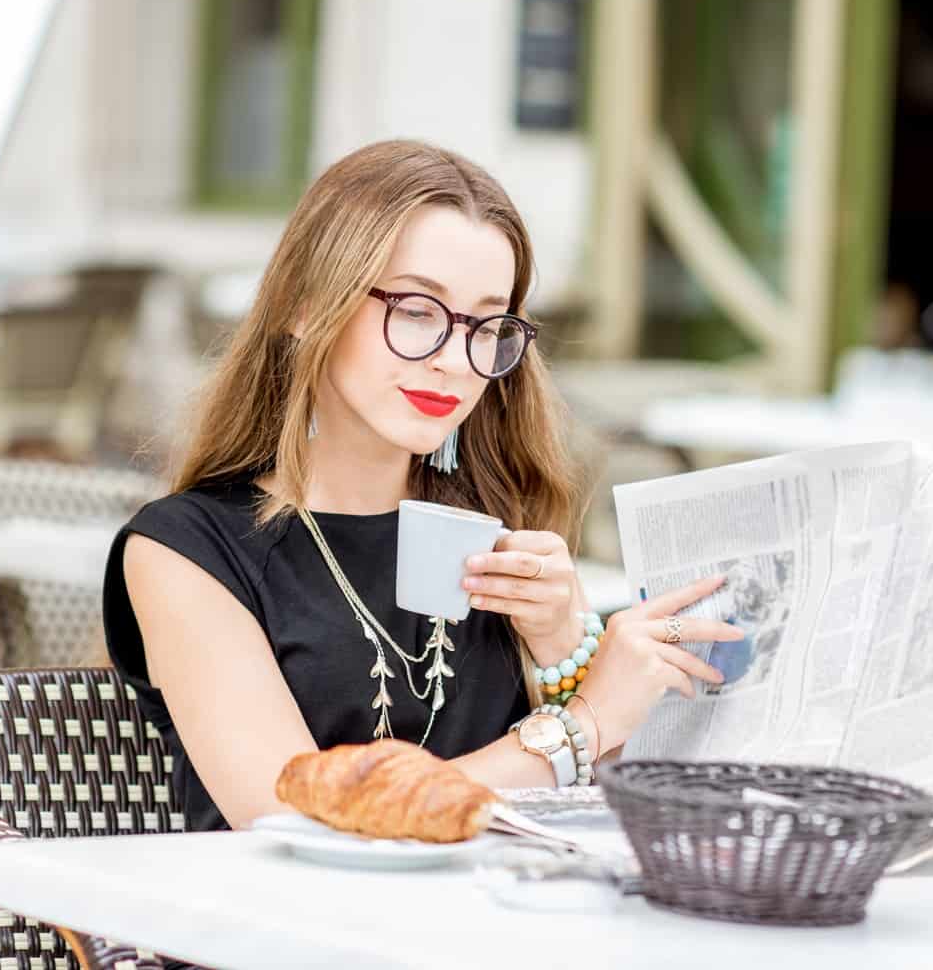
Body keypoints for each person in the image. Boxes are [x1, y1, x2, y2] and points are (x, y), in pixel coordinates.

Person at [103, 140, 743, 831]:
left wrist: (566, 645)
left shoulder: (493, 531)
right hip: (281, 935)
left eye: (485, 324)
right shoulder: (184, 550)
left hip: (487, 929)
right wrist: (578, 726)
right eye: (416, 310)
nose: (452, 361)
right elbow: (286, 821)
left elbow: (596, 810)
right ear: (308, 305)